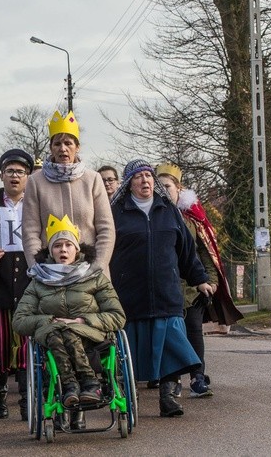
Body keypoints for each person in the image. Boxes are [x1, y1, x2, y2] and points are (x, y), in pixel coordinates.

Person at [109, 159, 212, 417]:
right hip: (131, 294)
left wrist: (200, 278)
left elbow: (187, 251)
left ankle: (168, 398)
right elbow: (105, 250)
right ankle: (130, 398)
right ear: (128, 184)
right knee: (133, 349)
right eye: (137, 177)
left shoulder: (168, 210)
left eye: (148, 176)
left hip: (166, 292)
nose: (144, 181)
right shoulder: (116, 213)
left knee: (171, 348)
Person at [14, 215, 125, 406]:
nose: (63, 249)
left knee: (68, 332)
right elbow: (19, 320)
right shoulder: (38, 281)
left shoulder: (94, 277)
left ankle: (84, 384)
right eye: (57, 246)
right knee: (58, 332)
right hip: (52, 333)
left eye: (68, 245)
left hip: (90, 336)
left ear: (77, 249)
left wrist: (82, 321)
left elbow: (117, 316)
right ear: (51, 251)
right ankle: (74, 385)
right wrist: (50, 320)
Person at [155, 162, 243, 398]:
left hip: (192, 287)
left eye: (167, 186)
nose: (163, 191)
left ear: (178, 189)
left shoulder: (192, 219)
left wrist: (211, 280)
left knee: (194, 331)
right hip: (164, 288)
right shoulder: (152, 217)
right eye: (159, 187)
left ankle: (197, 377)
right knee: (169, 335)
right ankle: (170, 381)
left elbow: (205, 252)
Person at [23, 111, 115, 279]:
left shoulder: (93, 179)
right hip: (50, 273)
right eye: (57, 143)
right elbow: (30, 232)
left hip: (90, 272)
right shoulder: (35, 182)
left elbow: (106, 230)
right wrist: (39, 269)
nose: (63, 148)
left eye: (68, 143)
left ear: (77, 147)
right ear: (51, 148)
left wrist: (97, 267)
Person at [0, 148, 35, 420]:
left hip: (27, 279)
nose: (15, 176)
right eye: (10, 171)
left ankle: (26, 400)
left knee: (25, 346)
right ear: (1, 175)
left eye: (20, 172)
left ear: (28, 176)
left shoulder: (36, 203)